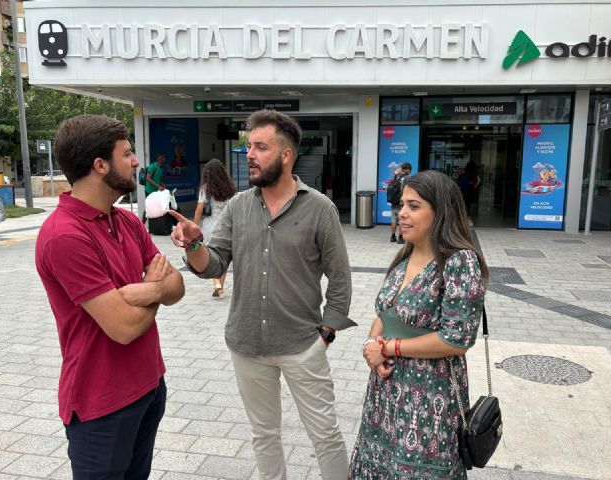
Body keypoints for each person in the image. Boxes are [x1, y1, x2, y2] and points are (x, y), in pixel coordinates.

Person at [170, 109, 355, 480]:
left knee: (326, 435)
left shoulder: (320, 209)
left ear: (286, 155)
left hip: (303, 345)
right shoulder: (238, 207)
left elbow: (340, 280)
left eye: (260, 147)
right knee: (264, 435)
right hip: (247, 344)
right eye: (248, 145)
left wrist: (326, 333)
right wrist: (193, 245)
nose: (249, 154)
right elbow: (214, 264)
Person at [35, 115, 185, 479]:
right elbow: (124, 327)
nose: (136, 161)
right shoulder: (65, 236)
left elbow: (177, 286)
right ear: (100, 166)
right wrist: (156, 288)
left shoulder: (128, 221)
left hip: (149, 387)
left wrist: (147, 289)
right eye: (127, 153)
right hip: (101, 405)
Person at [348, 170, 488, 480]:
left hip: (429, 401)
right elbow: (386, 314)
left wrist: (389, 347)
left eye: (414, 205)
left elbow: (457, 339)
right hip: (385, 394)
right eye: (402, 205)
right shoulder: (404, 256)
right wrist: (372, 346)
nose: (403, 213)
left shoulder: (458, 261)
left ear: (440, 211)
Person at [193, 158, 237, 298]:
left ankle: (217, 285)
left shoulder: (206, 188)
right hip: (228, 226)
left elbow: (199, 209)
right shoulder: (230, 186)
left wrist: (194, 226)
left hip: (212, 226)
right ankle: (220, 286)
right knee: (224, 257)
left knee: (212, 256)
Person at [388, 162, 412, 244]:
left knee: (393, 220)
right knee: (402, 221)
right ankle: (400, 238)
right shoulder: (407, 178)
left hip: (393, 202)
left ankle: (392, 236)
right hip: (402, 203)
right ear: (408, 169)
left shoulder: (396, 176)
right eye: (410, 170)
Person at [142, 153, 166, 224]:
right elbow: (148, 178)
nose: (164, 159)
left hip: (156, 191)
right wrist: (158, 186)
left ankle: (155, 225)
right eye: (163, 158)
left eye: (165, 158)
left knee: (155, 208)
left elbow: (159, 180)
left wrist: (163, 185)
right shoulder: (152, 166)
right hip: (149, 190)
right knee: (148, 208)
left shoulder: (161, 169)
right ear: (159, 159)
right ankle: (142, 223)